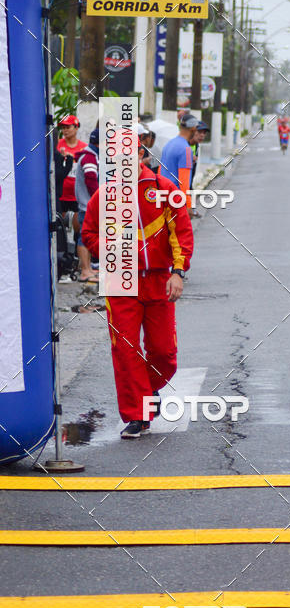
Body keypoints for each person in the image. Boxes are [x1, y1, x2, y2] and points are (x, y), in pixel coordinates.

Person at [82, 139, 194, 438]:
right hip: (119, 281)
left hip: (158, 280)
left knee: (164, 352)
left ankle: (148, 389)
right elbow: (88, 233)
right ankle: (137, 415)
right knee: (125, 350)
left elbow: (182, 232)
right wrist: (111, 251)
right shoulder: (104, 195)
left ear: (141, 154)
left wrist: (178, 272)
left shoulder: (165, 190)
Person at [74, 128, 99, 282]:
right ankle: (85, 271)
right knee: (84, 238)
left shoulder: (90, 155)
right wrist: (100, 199)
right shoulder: (89, 158)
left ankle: (88, 268)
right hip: (88, 206)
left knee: (88, 237)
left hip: (88, 205)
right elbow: (90, 180)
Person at [57, 115, 87, 238]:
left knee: (78, 229)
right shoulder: (57, 145)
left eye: (68, 127)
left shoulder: (84, 147)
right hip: (61, 194)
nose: (65, 130)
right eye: (63, 128)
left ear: (76, 127)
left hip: (77, 194)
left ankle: (76, 247)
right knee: (60, 228)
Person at [159, 115, 198, 191]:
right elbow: (184, 183)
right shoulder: (186, 150)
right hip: (176, 195)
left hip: (163, 193)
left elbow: (160, 171)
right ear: (193, 128)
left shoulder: (168, 144)